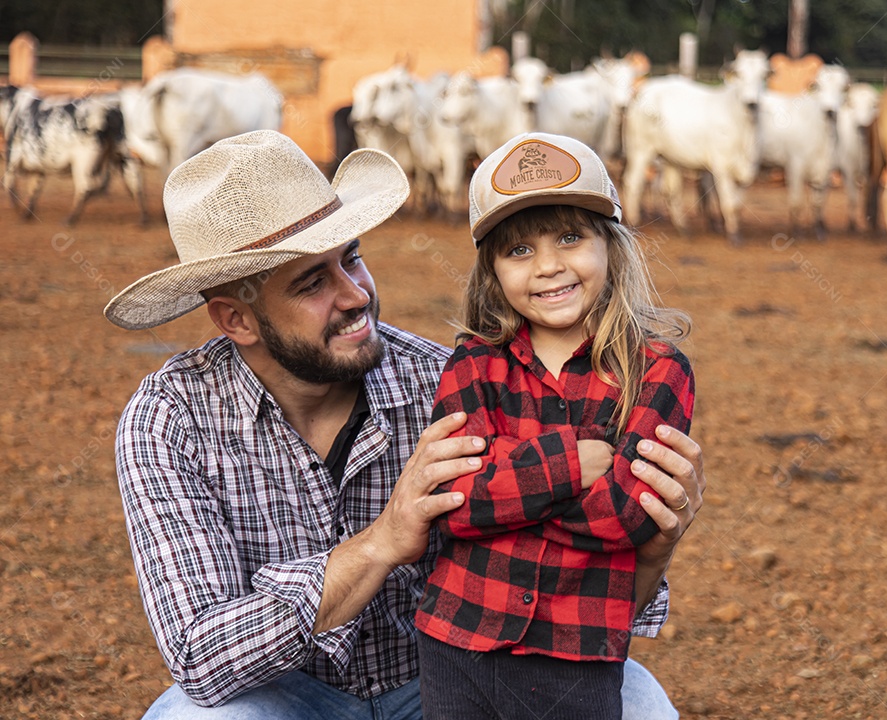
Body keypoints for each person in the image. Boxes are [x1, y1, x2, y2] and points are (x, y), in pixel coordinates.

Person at [104, 130, 705, 719]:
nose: (355, 295)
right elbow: (199, 654)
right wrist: (379, 544)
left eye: (352, 259)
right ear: (236, 318)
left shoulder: (437, 377)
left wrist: (653, 550)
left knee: (640, 703)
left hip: (452, 669)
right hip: (292, 695)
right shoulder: (169, 422)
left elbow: (587, 577)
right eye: (313, 283)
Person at [413, 132, 694, 719]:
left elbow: (627, 513)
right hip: (456, 637)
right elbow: (455, 506)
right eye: (518, 250)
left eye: (570, 237)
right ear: (491, 269)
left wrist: (506, 481)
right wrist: (574, 463)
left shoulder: (658, 370)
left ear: (610, 247)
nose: (548, 266)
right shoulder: (473, 364)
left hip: (578, 647)